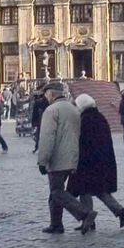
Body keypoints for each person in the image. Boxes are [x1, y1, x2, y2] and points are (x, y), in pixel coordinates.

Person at [67, 94, 124, 230]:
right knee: (99, 190)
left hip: (87, 162)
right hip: (102, 161)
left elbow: (81, 142)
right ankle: (118, 211)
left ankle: (89, 219)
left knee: (85, 190)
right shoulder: (100, 117)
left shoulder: (85, 120)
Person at [36, 83, 90, 234]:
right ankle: (56, 224)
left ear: (51, 94)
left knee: (57, 192)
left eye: (46, 94)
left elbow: (47, 137)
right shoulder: (74, 109)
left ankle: (84, 213)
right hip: (72, 156)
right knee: (55, 193)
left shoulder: (51, 110)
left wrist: (42, 160)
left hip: (57, 159)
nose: (45, 97)